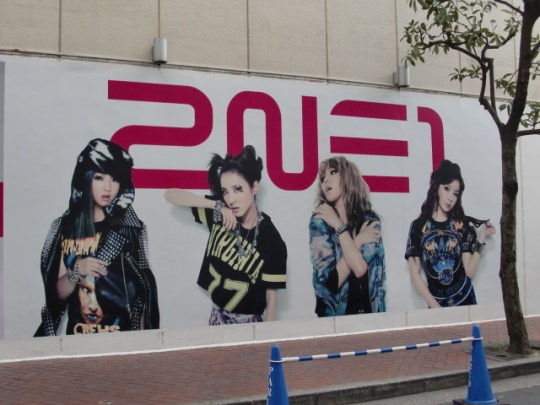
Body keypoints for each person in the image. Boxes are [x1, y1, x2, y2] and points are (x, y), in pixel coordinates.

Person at [35, 138, 160, 336]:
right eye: (100, 178)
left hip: (124, 336)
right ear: (86, 177)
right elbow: (56, 295)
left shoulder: (132, 228)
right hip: (79, 337)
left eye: (115, 179)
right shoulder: (64, 228)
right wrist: (77, 270)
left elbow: (143, 291)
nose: (108, 188)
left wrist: (144, 339)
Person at [164, 145, 287, 325]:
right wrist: (215, 205)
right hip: (216, 318)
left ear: (254, 187)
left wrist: (266, 338)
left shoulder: (271, 238)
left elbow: (272, 299)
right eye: (225, 191)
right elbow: (170, 195)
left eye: (237, 189)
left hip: (249, 324)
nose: (230, 199)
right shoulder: (220, 212)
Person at [405, 159, 496, 308]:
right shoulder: (418, 227)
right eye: (446, 188)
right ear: (436, 187)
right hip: (436, 307)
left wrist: (481, 237)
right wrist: (436, 308)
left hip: (466, 301)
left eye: (455, 193)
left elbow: (470, 272)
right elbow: (415, 276)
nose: (451, 198)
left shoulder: (461, 225)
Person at [309, 156, 386, 317]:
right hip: (334, 319)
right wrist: (355, 238)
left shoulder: (370, 221)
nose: (326, 180)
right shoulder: (320, 221)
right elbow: (332, 282)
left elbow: (360, 269)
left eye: (333, 172)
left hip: (371, 317)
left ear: (348, 177)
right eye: (323, 178)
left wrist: (339, 226)